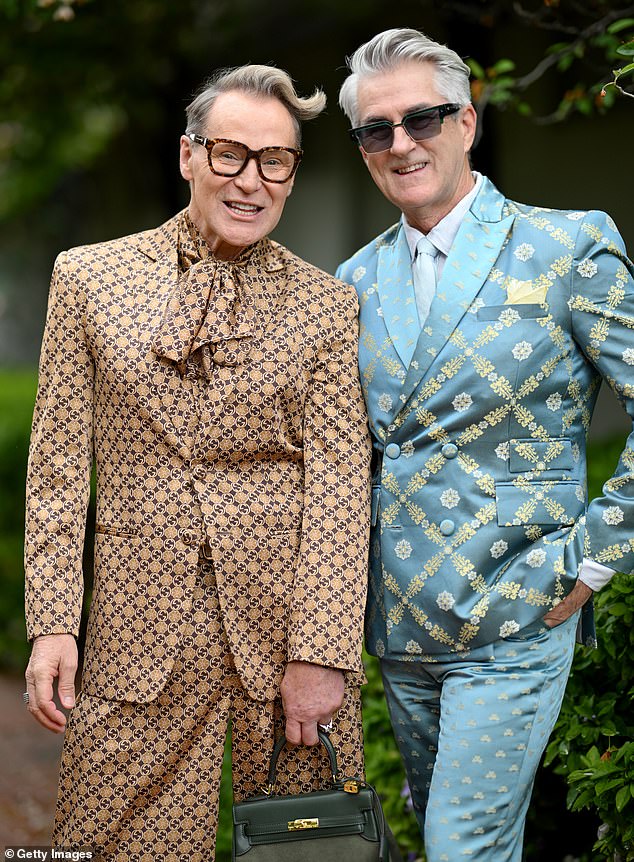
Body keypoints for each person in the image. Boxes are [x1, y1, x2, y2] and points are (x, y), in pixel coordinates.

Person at [23, 64, 371, 861]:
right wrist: (53, 624)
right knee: (104, 846)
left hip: (285, 636)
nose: (251, 181)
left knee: (306, 851)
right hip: (133, 631)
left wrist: (321, 652)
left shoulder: (327, 304)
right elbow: (57, 472)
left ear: (292, 173)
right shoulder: (87, 278)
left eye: (274, 160)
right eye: (229, 153)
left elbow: (341, 488)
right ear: (188, 156)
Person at [336, 27, 634, 862]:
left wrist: (595, 558)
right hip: (400, 625)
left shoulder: (566, 247)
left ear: (466, 121)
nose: (402, 143)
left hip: (518, 603)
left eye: (422, 119)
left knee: (460, 845)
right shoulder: (353, 281)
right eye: (376, 130)